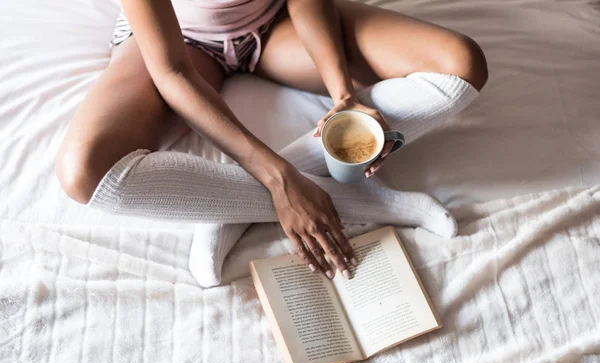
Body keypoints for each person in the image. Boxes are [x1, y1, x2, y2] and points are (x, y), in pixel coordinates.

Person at [55, 0, 488, 285]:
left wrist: (344, 98)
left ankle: (229, 206)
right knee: (84, 172)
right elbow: (173, 73)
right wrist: (278, 182)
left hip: (279, 21)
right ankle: (362, 201)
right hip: (178, 45)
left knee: (460, 66)